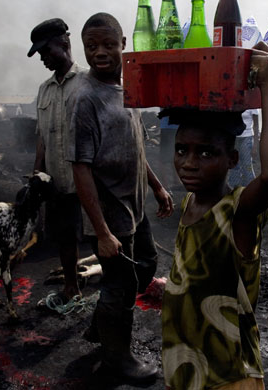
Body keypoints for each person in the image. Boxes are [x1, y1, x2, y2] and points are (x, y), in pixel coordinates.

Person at [161, 41, 268, 390]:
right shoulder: (191, 202)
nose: (189, 162)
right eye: (182, 150)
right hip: (187, 364)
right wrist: (174, 285)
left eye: (206, 152)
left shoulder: (238, 212)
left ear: (232, 160)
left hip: (228, 374)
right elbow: (198, 266)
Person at [68, 12, 173, 385]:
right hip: (110, 211)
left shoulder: (126, 90)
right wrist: (101, 232)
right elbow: (80, 168)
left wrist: (157, 186)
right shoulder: (85, 100)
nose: (100, 52)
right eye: (91, 46)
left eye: (107, 44)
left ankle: (102, 326)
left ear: (123, 44)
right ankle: (118, 359)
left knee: (147, 263)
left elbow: (136, 146)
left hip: (135, 204)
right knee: (120, 284)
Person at [28, 18, 87, 301]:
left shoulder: (89, 83)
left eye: (46, 52)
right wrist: (36, 174)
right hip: (57, 180)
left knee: (100, 236)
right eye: (40, 55)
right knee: (65, 236)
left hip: (87, 180)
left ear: (64, 43)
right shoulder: (44, 90)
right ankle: (71, 285)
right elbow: (42, 137)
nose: (43, 59)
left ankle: (112, 290)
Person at [228, 108, 260, 187]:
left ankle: (251, 189)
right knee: (234, 166)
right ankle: (234, 190)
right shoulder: (236, 103)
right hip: (234, 137)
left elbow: (256, 126)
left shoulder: (253, 106)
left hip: (246, 138)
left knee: (247, 165)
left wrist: (255, 145)